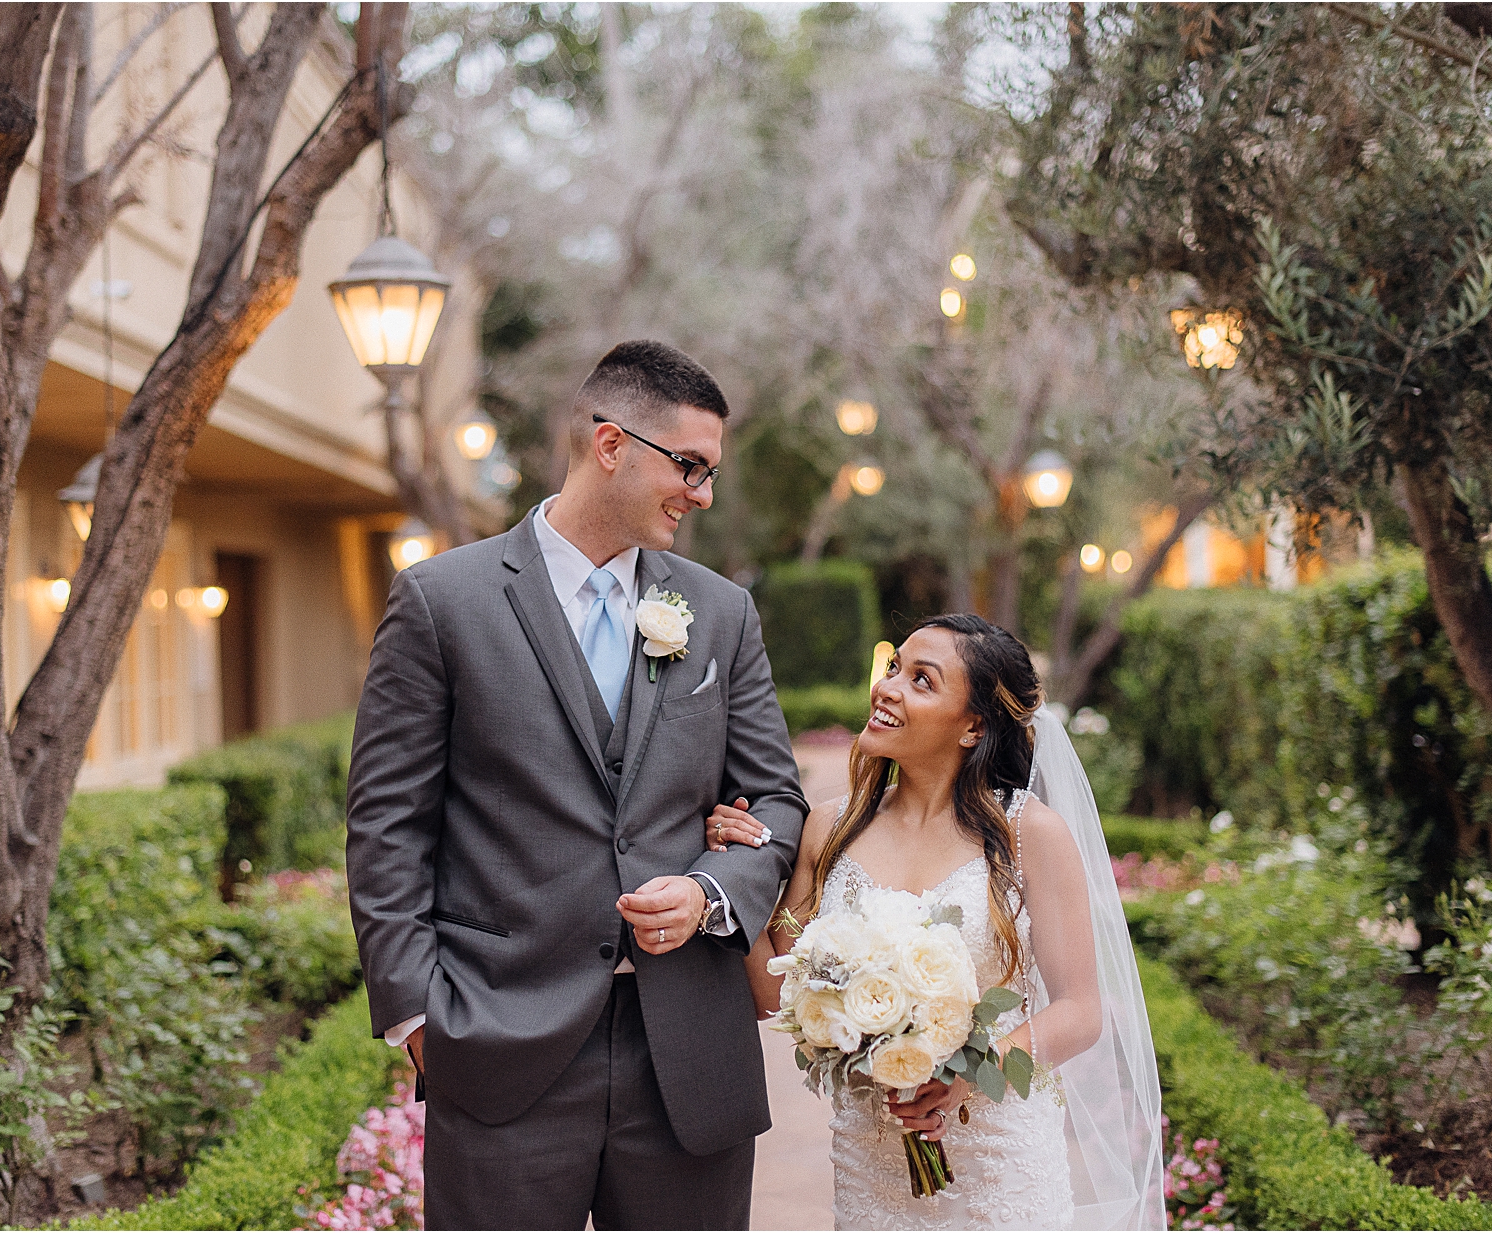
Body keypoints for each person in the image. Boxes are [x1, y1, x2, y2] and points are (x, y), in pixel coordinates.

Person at [346, 340, 808, 1230]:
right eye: (689, 466)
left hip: (688, 1054)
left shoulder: (720, 612)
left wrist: (713, 891)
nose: (701, 494)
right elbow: (387, 826)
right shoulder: (443, 601)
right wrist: (416, 1016)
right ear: (609, 444)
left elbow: (777, 799)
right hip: (497, 1039)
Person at [711, 615, 1166, 1230]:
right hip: (870, 1167)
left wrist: (966, 1076)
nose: (888, 687)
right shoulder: (832, 827)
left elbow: (1081, 1012)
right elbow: (775, 993)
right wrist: (736, 872)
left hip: (997, 1163)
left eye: (921, 681)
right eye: (894, 667)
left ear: (973, 727)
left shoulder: (1030, 836)